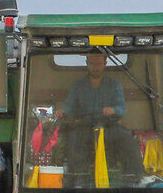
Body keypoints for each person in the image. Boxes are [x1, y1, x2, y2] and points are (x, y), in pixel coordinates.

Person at [56, 53, 145, 185]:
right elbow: (69, 105)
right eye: (92, 64)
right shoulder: (78, 85)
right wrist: (63, 111)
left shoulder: (114, 84)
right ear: (87, 63)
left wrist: (113, 110)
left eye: (98, 64)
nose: (95, 67)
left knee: (127, 140)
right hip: (84, 125)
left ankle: (134, 178)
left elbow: (121, 109)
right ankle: (77, 179)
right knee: (73, 140)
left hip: (109, 125)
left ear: (105, 64)